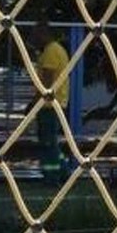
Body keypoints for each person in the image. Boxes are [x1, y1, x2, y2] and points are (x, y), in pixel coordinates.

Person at [33, 20, 70, 182]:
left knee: (48, 142)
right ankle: (63, 171)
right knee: (52, 141)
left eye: (36, 35)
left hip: (49, 105)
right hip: (57, 103)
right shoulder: (57, 50)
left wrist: (34, 103)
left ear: (44, 34)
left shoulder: (50, 51)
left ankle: (52, 176)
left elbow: (46, 81)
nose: (34, 39)